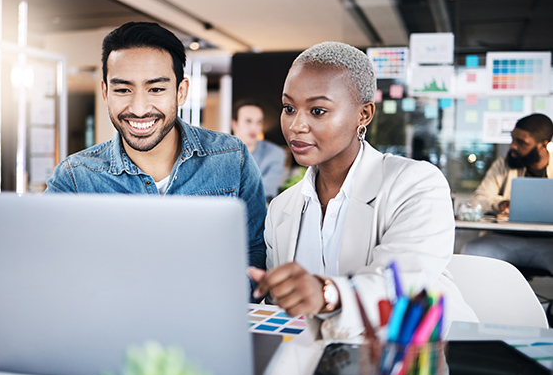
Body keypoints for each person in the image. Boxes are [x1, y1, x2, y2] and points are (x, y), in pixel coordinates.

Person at [249, 42, 477, 341]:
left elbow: (403, 283)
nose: (296, 125)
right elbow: (286, 311)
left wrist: (327, 293)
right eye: (289, 108)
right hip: (325, 363)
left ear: (364, 115)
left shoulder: (416, 183)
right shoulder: (281, 208)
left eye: (317, 111)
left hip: (419, 360)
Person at [45, 22, 266, 276]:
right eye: (123, 89)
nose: (139, 109)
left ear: (181, 92)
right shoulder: (74, 177)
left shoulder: (231, 158)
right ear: (105, 93)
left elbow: (253, 253)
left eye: (156, 89)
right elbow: (50, 268)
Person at [461, 113, 553, 274]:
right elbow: (478, 200)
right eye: (513, 139)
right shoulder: (503, 164)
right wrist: (499, 204)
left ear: (542, 145)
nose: (513, 146)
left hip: (548, 243)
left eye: (521, 142)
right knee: (472, 251)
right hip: (504, 240)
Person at [231, 99, 287, 201]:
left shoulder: (276, 153)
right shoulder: (219, 153)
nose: (254, 128)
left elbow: (266, 191)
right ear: (234, 124)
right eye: (248, 121)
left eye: (259, 122)